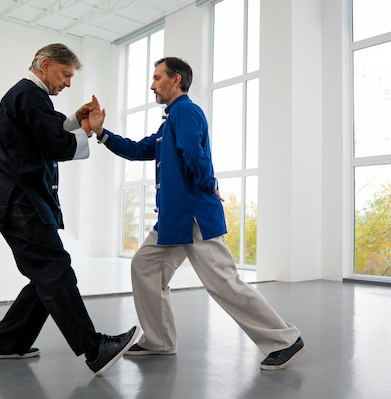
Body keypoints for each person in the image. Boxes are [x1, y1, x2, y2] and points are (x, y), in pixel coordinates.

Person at [93, 57, 304, 370]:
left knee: (223, 283)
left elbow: (194, 153)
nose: (152, 85)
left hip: (192, 216)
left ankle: (285, 339)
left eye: (157, 78)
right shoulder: (170, 122)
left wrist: (209, 185)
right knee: (144, 267)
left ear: (176, 80)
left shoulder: (186, 111)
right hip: (173, 220)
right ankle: (159, 340)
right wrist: (102, 133)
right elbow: (138, 149)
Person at [0, 43, 138, 376]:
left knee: (44, 276)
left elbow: (46, 130)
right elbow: (55, 144)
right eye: (65, 74)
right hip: (20, 199)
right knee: (54, 271)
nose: (68, 83)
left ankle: (5, 344)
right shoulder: (29, 95)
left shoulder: (29, 97)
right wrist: (84, 130)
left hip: (17, 199)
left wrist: (76, 120)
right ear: (46, 65)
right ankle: (95, 349)